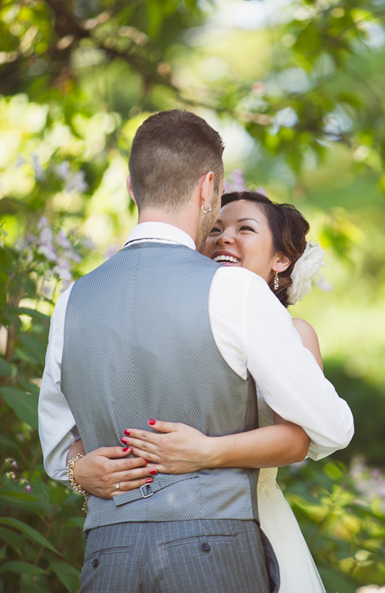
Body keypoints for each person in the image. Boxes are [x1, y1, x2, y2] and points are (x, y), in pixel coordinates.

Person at [39, 109, 354, 593]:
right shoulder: (234, 292)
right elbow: (330, 427)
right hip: (214, 550)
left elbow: (62, 452)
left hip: (108, 555)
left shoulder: (70, 301)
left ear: (130, 186)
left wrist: (83, 472)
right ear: (208, 187)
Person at [72, 190, 334, 592]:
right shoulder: (173, 317)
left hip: (245, 520)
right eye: (215, 229)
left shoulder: (295, 334)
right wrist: (77, 468)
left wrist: (204, 451)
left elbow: (297, 440)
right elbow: (85, 412)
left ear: (281, 259)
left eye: (244, 229)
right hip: (124, 534)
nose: (225, 237)